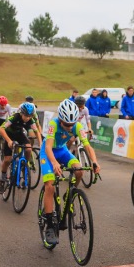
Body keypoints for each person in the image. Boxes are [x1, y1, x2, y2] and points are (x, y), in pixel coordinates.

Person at [39, 99, 100, 247]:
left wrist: (94, 161)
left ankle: (69, 193)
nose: (69, 128)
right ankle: (49, 225)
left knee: (79, 170)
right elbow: (48, 147)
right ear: (60, 119)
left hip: (62, 151)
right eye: (66, 124)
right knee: (50, 186)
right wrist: (54, 163)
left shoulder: (77, 126)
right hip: (48, 153)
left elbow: (87, 146)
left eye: (71, 125)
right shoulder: (54, 124)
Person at [0, 101, 41, 193]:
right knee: (8, 160)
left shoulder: (30, 120)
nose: (27, 118)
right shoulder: (15, 117)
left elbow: (37, 132)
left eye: (30, 116)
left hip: (19, 134)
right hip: (9, 135)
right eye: (26, 115)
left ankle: (24, 165)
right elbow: (1, 129)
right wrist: (8, 141)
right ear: (21, 113)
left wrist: (41, 144)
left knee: (29, 148)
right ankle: (2, 178)